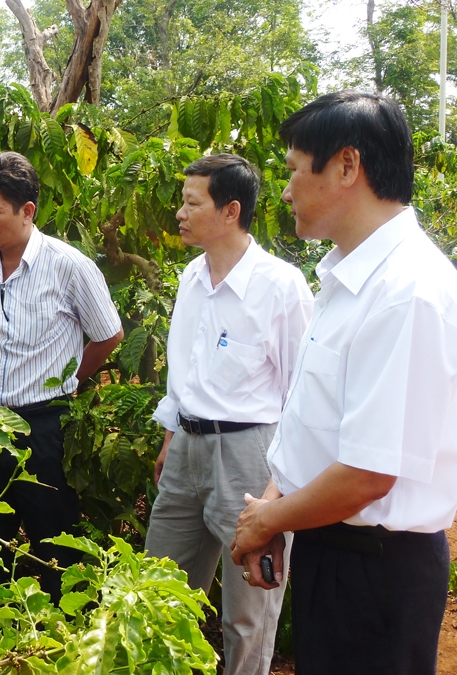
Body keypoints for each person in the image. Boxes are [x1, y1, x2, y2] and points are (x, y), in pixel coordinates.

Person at [230, 91, 457, 675]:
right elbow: (316, 424)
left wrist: (267, 520)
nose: (285, 190)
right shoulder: (348, 279)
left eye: (292, 169)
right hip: (333, 547)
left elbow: (368, 471)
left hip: (376, 569)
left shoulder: (407, 292)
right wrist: (273, 502)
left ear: (345, 165)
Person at [144, 154, 313, 675]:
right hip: (186, 452)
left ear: (230, 211)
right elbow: (185, 372)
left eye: (193, 203)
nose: (180, 212)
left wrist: (278, 491)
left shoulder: (280, 287)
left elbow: (299, 396)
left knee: (248, 612)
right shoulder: (191, 277)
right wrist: (172, 436)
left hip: (248, 458)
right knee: (156, 589)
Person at [0, 151, 123, 602]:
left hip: (45, 427)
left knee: (55, 539)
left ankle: (63, 639)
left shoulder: (69, 266)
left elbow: (108, 335)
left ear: (27, 211)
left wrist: (69, 381)